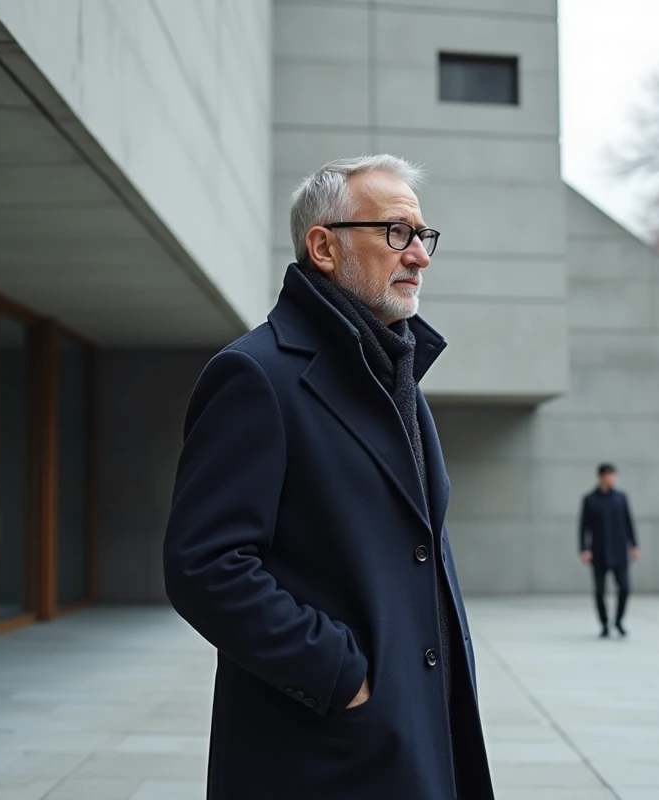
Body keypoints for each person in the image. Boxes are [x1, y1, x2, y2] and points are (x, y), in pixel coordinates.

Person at [162, 155, 495, 799]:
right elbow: (205, 566)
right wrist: (340, 675)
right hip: (320, 753)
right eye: (396, 233)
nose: (419, 256)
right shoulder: (256, 375)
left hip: (418, 729)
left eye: (422, 236)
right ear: (324, 247)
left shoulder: (394, 373)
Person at [579, 463, 640, 638]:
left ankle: (619, 621)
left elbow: (629, 522)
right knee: (599, 591)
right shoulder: (590, 499)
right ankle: (604, 624)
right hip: (599, 551)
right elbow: (583, 527)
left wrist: (634, 545)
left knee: (624, 588)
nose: (612, 479)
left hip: (619, 550)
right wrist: (584, 549)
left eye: (613, 475)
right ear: (600, 477)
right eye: (608, 476)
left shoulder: (621, 498)